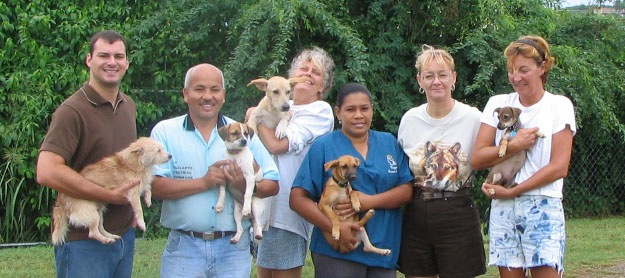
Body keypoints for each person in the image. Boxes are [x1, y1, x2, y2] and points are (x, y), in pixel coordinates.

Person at [149, 63, 280, 278]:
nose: (208, 96)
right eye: (199, 89)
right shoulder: (165, 131)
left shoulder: (243, 133)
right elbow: (155, 186)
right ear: (185, 94)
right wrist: (204, 182)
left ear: (223, 95)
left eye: (215, 90)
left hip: (233, 248)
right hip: (184, 247)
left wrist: (244, 184)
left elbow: (273, 184)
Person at [36, 30, 139, 278]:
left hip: (123, 235)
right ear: (89, 60)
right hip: (83, 242)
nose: (112, 62)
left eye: (119, 56)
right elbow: (46, 171)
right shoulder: (72, 111)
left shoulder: (127, 106)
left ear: (127, 62)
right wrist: (107, 195)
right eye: (104, 55)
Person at [471, 35, 576, 278]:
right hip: (504, 207)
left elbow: (559, 167)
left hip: (542, 204)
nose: (515, 77)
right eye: (511, 70)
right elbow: (478, 158)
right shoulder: (498, 103)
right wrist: (515, 145)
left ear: (543, 67)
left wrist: (515, 191)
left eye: (523, 70)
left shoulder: (558, 106)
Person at [290, 83, 414, 278]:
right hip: (338, 250)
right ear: (338, 112)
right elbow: (297, 199)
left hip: (382, 248)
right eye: (350, 109)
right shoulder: (324, 146)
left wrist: (369, 201)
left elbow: (407, 190)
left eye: (364, 108)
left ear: (372, 110)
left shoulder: (388, 142)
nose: (358, 115)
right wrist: (333, 228)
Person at [396, 45, 487, 278]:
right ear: (420, 80)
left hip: (458, 210)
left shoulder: (473, 118)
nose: (436, 81)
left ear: (453, 77)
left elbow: (490, 155)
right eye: (429, 75)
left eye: (443, 74)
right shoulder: (410, 119)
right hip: (417, 212)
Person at [254, 47, 335, 278]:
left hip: (287, 209)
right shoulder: (276, 107)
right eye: (304, 68)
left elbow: (276, 145)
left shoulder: (319, 110)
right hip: (263, 207)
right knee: (265, 273)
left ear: (322, 87)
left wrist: (257, 117)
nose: (308, 74)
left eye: (316, 72)